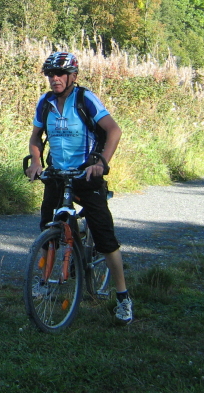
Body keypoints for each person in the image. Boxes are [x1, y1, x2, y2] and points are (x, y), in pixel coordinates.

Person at [24, 52, 133, 325]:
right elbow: (36, 137)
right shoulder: (46, 102)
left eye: (60, 74)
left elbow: (114, 130)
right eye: (50, 74)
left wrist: (101, 162)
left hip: (86, 174)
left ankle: (123, 297)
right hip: (57, 174)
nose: (54, 79)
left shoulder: (86, 99)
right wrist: (36, 162)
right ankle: (44, 280)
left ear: (73, 76)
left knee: (105, 238)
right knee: (48, 230)